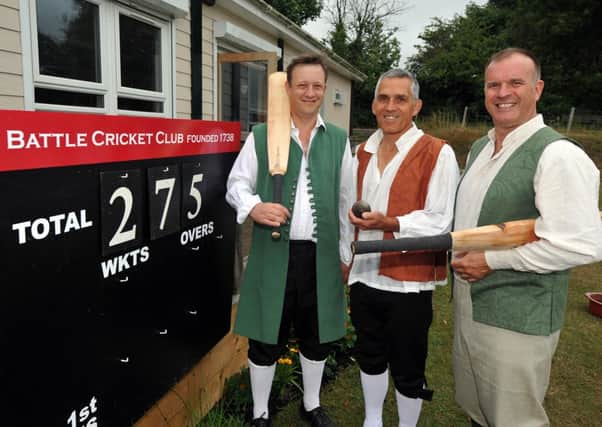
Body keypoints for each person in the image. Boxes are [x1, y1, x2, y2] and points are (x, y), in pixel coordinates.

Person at [451, 47, 602, 427]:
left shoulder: (558, 155)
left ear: (538, 88)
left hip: (519, 317)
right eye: (493, 85)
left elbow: (582, 244)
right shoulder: (481, 147)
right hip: (471, 307)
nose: (503, 93)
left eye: (515, 83)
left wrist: (491, 261)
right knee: (479, 410)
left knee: (514, 418)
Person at [226, 54, 354, 427]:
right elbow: (236, 184)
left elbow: (346, 198)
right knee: (266, 337)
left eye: (317, 86)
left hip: (321, 255)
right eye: (303, 85)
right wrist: (255, 207)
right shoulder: (264, 136)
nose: (310, 92)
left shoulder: (339, 140)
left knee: (317, 336)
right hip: (272, 254)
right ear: (288, 89)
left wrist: (346, 253)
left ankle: (311, 404)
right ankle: (261, 411)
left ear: (324, 90)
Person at [348, 69, 460, 427]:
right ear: (373, 104)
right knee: (370, 355)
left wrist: (391, 224)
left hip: (408, 282)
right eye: (384, 98)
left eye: (400, 99)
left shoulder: (437, 152)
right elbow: (345, 207)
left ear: (416, 106)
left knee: (408, 365)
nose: (390, 106)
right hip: (364, 274)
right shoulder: (361, 151)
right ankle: (372, 420)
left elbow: (441, 219)